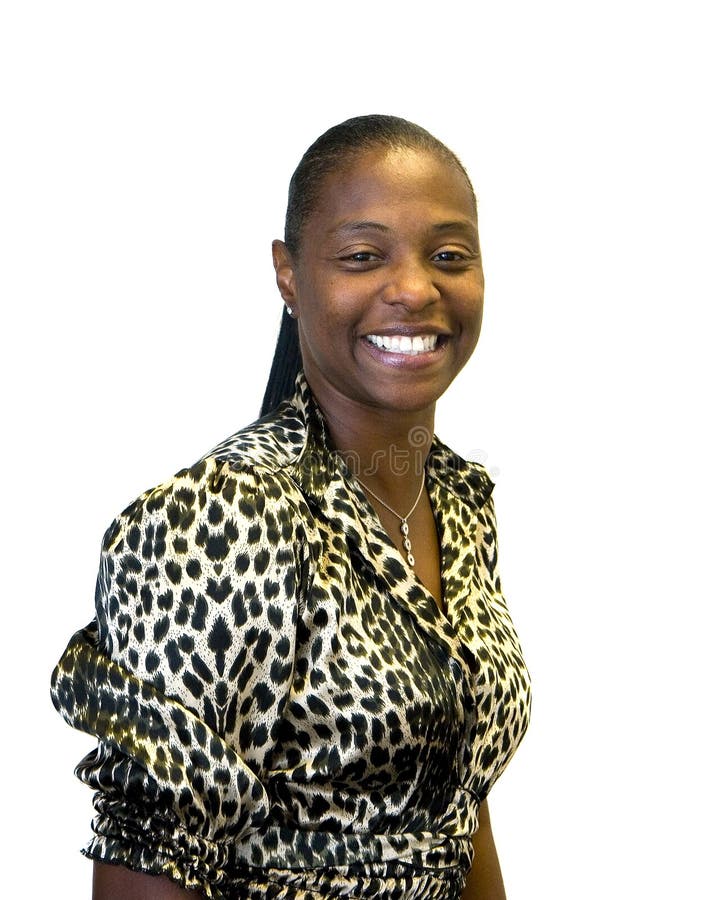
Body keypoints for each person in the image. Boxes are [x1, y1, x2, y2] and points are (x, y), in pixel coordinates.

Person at [51, 114, 531, 900]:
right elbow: (148, 853)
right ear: (288, 274)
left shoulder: (457, 502)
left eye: (448, 255)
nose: (414, 288)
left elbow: (457, 806)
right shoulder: (216, 521)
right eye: (362, 256)